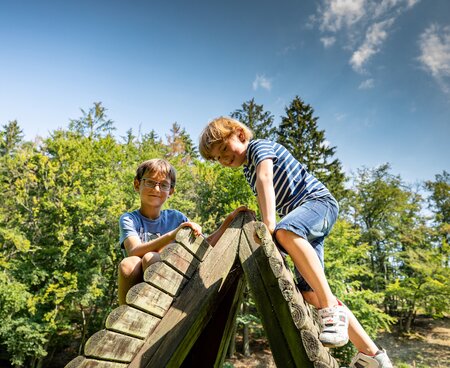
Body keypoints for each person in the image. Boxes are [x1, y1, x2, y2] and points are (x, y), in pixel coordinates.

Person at [198, 117, 393, 368]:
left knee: (284, 232)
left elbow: (265, 178)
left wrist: (269, 224)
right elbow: (261, 185)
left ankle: (330, 309)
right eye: (217, 158)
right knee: (312, 293)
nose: (223, 159)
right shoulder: (248, 170)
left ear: (241, 134)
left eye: (224, 149)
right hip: (304, 223)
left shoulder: (259, 147)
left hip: (318, 203)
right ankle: (372, 355)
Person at [118, 158, 245, 306]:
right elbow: (134, 251)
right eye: (150, 182)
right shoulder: (130, 219)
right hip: (136, 288)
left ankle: (160, 307)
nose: (156, 189)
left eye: (163, 185)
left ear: (171, 190)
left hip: (169, 288)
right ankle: (126, 312)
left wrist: (229, 221)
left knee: (151, 258)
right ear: (137, 184)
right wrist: (173, 234)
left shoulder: (177, 218)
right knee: (129, 263)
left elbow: (204, 246)